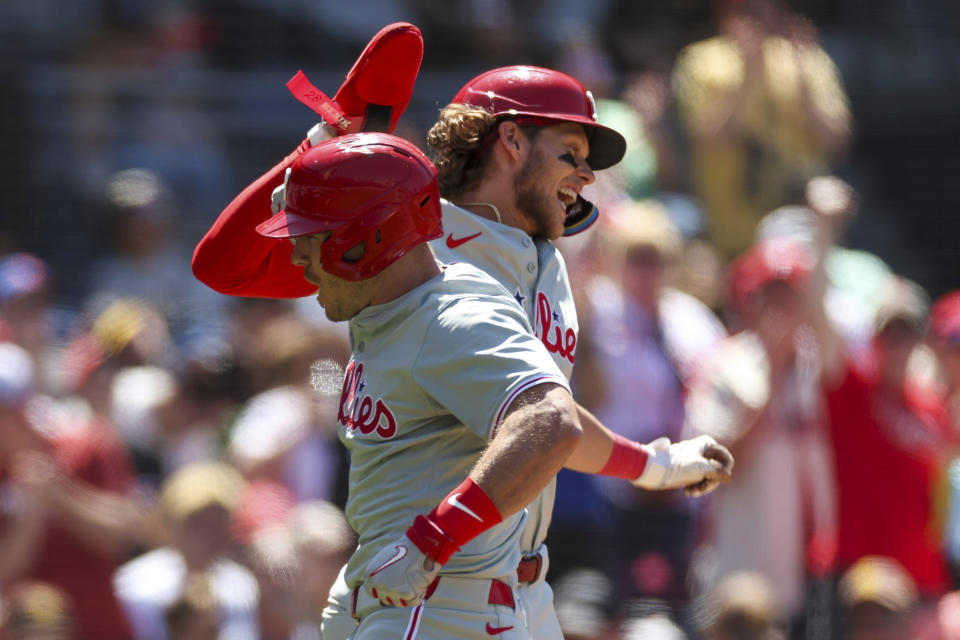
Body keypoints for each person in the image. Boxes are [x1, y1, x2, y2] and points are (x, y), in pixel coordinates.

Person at [193, 126, 731, 640]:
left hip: (436, 599)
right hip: (426, 591)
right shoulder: (392, 294)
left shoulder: (448, 312)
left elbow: (548, 422)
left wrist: (430, 543)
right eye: (569, 150)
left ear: (369, 236)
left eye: (312, 238)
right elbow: (225, 264)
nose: (299, 257)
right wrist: (654, 464)